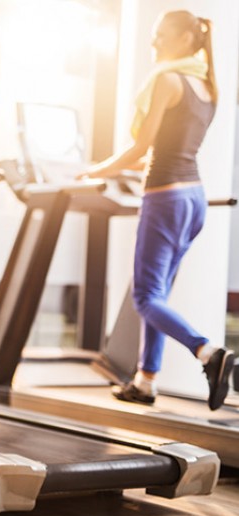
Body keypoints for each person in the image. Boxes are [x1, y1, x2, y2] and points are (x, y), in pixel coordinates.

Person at [81, 11, 234, 410]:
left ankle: (208, 353)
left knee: (146, 298)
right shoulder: (207, 86)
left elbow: (141, 149)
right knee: (158, 295)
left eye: (161, 36)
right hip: (193, 198)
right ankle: (145, 381)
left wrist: (91, 171)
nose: (154, 44)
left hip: (165, 197)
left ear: (185, 39)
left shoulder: (167, 80)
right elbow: (162, 149)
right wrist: (112, 169)